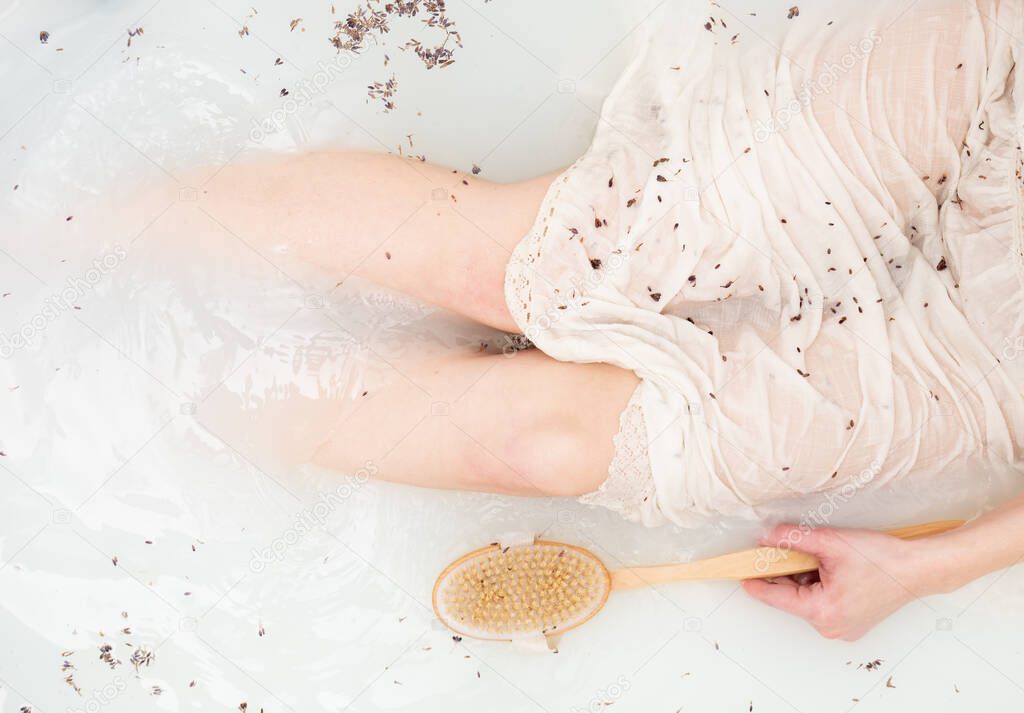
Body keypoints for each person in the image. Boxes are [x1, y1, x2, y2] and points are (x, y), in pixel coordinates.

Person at [195, 0, 1024, 639]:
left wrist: (929, 568)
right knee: (535, 263)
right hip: (1003, 83)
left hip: (995, 363)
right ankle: (104, 229)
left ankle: (199, 413)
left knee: (547, 441)